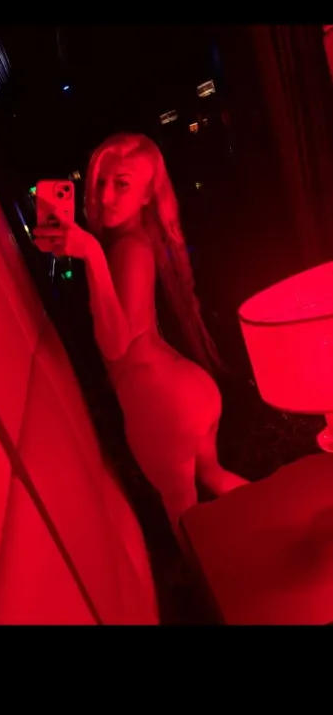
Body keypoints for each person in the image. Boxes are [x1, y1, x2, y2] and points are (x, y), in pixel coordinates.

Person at [33, 133, 248, 540]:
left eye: (122, 184)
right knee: (213, 475)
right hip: (187, 394)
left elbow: (116, 344)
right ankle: (280, 525)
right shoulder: (134, 243)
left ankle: (220, 576)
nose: (106, 196)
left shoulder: (129, 250)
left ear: (148, 194)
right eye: (101, 182)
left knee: (185, 516)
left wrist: (91, 254)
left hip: (162, 405)